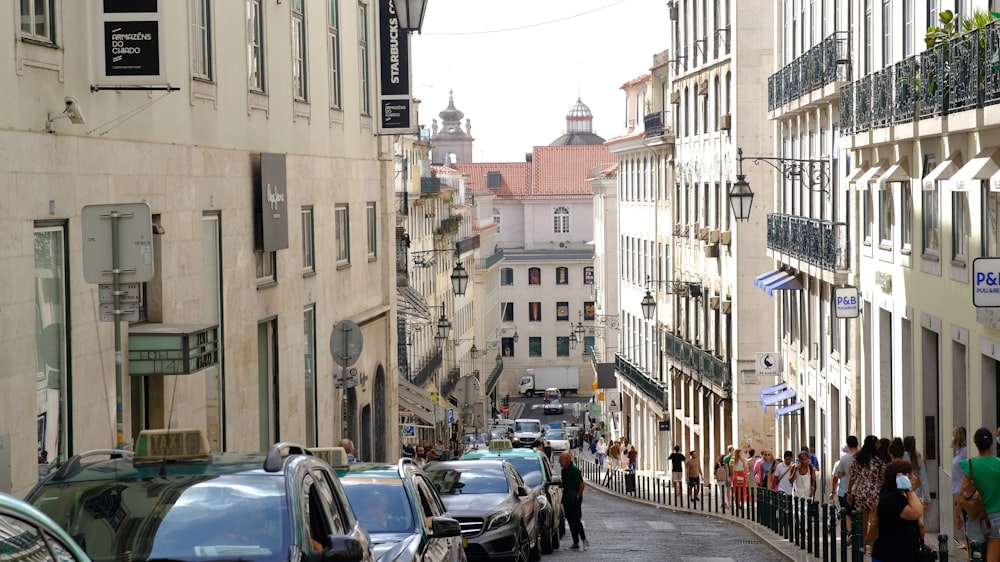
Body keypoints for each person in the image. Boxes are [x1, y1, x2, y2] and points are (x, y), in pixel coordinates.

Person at [955, 427, 1000, 560]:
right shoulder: (998, 464)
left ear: (975, 444)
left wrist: (957, 514)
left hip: (975, 518)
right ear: (991, 443)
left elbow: (963, 493)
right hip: (997, 518)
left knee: (975, 557)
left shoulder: (969, 465)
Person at [871, 460, 924, 562]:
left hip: (902, 553)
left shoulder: (898, 494)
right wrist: (908, 488)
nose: (915, 478)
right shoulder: (890, 497)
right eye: (911, 475)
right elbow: (916, 513)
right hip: (891, 555)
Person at [848, 435, 885, 545]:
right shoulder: (879, 460)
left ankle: (862, 544)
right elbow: (883, 476)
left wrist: (849, 492)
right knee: (875, 521)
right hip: (875, 492)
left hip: (862, 491)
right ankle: (873, 544)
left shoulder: (858, 458)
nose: (879, 445)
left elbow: (853, 477)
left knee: (863, 521)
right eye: (878, 443)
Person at [558, 452, 588, 551]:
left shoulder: (574, 470)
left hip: (574, 499)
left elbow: (582, 484)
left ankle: (584, 540)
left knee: (576, 520)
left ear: (567, 460)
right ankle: (575, 542)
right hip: (567, 498)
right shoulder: (564, 470)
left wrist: (578, 496)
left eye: (560, 460)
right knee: (570, 520)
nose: (559, 462)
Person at [835, 436, 859, 538]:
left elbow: (839, 475)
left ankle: (851, 532)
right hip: (862, 490)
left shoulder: (844, 458)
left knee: (848, 513)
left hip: (849, 491)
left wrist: (847, 473)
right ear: (857, 444)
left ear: (848, 445)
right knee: (861, 513)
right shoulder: (863, 456)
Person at [952, 426, 970, 549]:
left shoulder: (965, 452)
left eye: (953, 435)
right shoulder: (958, 452)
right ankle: (966, 540)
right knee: (964, 517)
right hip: (957, 488)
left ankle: (968, 542)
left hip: (963, 490)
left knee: (967, 517)